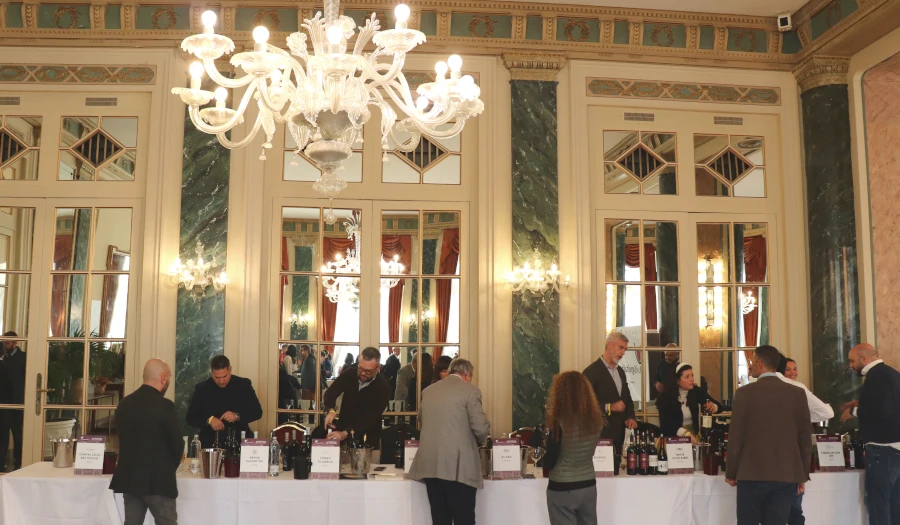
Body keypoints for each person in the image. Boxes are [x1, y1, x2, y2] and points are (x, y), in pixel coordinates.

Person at [725, 345, 811, 525]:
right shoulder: (797, 393)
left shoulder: (744, 393)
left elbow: (736, 437)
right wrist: (802, 474)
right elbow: (804, 438)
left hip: (751, 473)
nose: (750, 366)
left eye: (752, 362)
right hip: (786, 473)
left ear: (760, 364)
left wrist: (731, 471)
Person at [409, 358, 490, 525]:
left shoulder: (428, 391)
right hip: (458, 466)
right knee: (464, 519)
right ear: (468, 374)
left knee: (440, 519)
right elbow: (480, 428)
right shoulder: (471, 391)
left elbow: (421, 421)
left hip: (430, 464)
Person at [110, 359, 182, 525]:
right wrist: (169, 468)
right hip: (159, 480)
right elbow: (177, 444)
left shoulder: (124, 404)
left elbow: (122, 439)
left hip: (130, 479)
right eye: (169, 377)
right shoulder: (165, 406)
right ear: (163, 378)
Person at [841, 343, 900, 525]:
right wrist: (860, 403)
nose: (850, 365)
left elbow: (882, 411)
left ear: (864, 359)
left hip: (883, 451)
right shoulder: (892, 374)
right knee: (895, 506)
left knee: (878, 505)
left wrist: (854, 412)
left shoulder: (876, 376)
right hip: (896, 449)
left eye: (852, 361)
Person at [774, 353, 834, 525]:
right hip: (792, 458)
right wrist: (800, 418)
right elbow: (827, 412)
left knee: (772, 513)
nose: (792, 373)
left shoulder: (757, 388)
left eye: (795, 369)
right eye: (788, 369)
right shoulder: (797, 388)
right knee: (793, 510)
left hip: (768, 461)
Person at [543, 371, 605, 525]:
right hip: (588, 485)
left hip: (562, 487)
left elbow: (550, 460)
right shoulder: (595, 421)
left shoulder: (559, 422)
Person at [186, 355, 263, 448]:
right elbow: (191, 417)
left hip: (239, 440)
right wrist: (209, 420)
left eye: (225, 376)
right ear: (211, 372)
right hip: (210, 443)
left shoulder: (243, 385)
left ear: (230, 370)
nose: (221, 381)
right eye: (217, 377)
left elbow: (257, 412)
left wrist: (237, 416)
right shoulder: (202, 388)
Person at [323, 347, 390, 449]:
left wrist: (346, 433)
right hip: (342, 435)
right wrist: (331, 410)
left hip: (368, 439)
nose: (363, 373)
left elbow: (369, 418)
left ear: (378, 368)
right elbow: (330, 393)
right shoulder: (350, 373)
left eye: (368, 371)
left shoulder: (383, 387)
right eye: (360, 368)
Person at [583, 331, 637, 453]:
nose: (623, 353)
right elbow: (585, 405)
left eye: (625, 349)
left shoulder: (621, 372)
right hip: (600, 435)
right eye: (620, 348)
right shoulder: (591, 372)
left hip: (621, 434)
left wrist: (631, 416)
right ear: (609, 345)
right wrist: (609, 407)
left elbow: (627, 397)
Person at [656, 363, 720, 440]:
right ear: (677, 380)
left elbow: (719, 407)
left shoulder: (696, 391)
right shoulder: (665, 397)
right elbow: (666, 425)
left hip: (693, 437)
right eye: (687, 377)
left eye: (692, 376)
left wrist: (713, 407)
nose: (692, 379)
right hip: (673, 439)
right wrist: (685, 433)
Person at [0, 332, 26, 471]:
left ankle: (19, 461)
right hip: (3, 402)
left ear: (15, 343)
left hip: (17, 401)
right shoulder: (2, 357)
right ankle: (2, 461)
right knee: (3, 433)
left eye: (7, 343)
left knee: (17, 433)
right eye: (3, 343)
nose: (4, 346)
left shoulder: (23, 357)